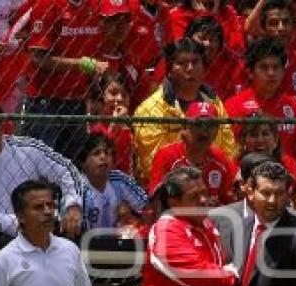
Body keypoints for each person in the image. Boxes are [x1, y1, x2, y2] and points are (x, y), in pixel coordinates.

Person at [0, 99, 83, 238]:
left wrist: (73, 205)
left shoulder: (28, 148)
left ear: (1, 127)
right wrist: (18, 223)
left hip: (37, 233)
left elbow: (67, 169)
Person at [133, 37, 237, 186]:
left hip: (213, 182)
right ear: (168, 71)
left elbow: (229, 152)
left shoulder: (215, 104)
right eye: (181, 63)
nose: (189, 69)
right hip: (170, 188)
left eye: (195, 62)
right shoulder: (149, 110)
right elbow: (153, 165)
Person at [22, 0, 104, 161]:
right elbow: (38, 58)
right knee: (43, 165)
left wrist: (95, 91)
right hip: (45, 100)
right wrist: (80, 64)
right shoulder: (46, 5)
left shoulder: (94, 5)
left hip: (77, 101)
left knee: (73, 165)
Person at [224, 37, 296, 158]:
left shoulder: (295, 105)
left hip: (286, 171)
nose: (271, 73)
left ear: (283, 72)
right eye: (264, 67)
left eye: (276, 67)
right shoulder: (233, 106)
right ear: (250, 72)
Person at [149, 101, 238, 207]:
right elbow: (156, 202)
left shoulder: (219, 158)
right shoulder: (167, 155)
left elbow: (231, 196)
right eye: (198, 125)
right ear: (184, 128)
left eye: (210, 126)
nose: (204, 132)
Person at [76, 132, 148, 233]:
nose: (103, 157)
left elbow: (147, 209)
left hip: (119, 243)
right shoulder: (76, 188)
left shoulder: (120, 179)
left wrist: (130, 216)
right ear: (83, 163)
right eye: (96, 153)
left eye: (107, 153)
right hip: (85, 245)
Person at [86, 71, 135, 175]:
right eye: (113, 93)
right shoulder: (96, 128)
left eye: (124, 95)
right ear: (101, 97)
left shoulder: (129, 125)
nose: (120, 99)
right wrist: (114, 124)